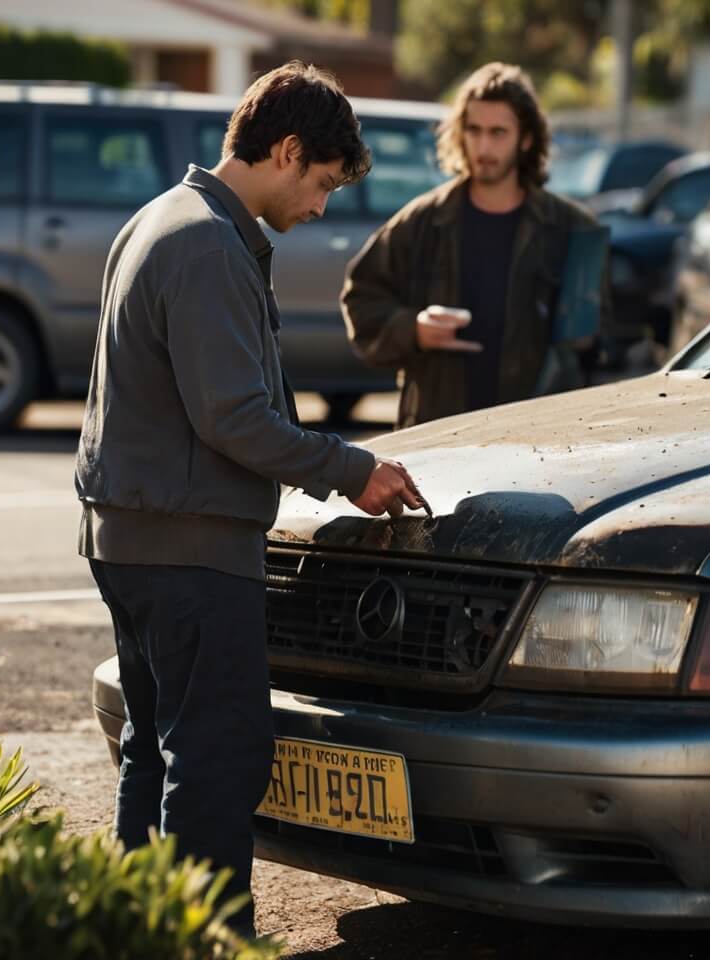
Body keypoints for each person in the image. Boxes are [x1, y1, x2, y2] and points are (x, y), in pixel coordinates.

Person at [74, 62, 425, 937]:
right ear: (288, 149)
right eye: (322, 183)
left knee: (156, 754)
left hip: (130, 539)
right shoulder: (206, 243)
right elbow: (233, 417)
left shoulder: (159, 218)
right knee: (218, 756)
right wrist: (352, 469)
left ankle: (146, 934)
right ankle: (206, 943)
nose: (321, 208)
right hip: (190, 551)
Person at [341, 61, 607, 429]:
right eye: (474, 130)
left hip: (539, 437)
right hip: (439, 433)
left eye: (498, 132)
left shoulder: (571, 229)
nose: (484, 146)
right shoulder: (423, 221)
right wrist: (414, 329)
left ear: (525, 138)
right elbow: (361, 301)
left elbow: (605, 350)